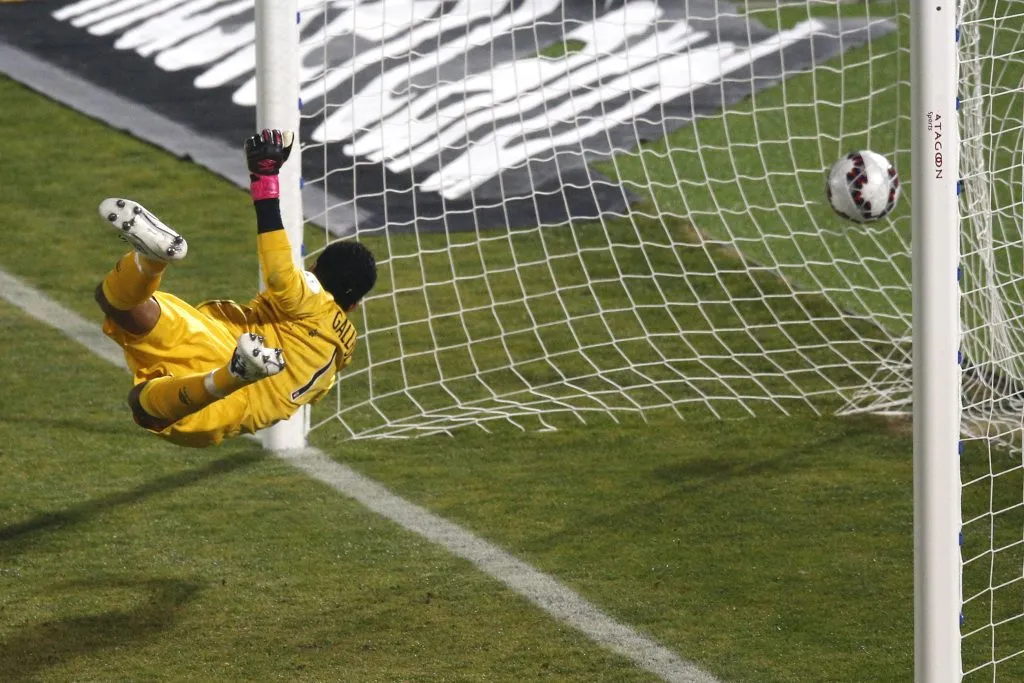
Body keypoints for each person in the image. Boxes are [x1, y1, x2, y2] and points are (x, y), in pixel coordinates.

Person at [94, 129, 376, 447]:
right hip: (230, 397)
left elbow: (282, 277)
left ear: (313, 269)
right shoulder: (337, 357)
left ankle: (149, 262)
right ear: (353, 306)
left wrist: (264, 178)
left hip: (214, 337)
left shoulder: (312, 300)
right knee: (144, 408)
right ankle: (233, 373)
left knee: (120, 304)